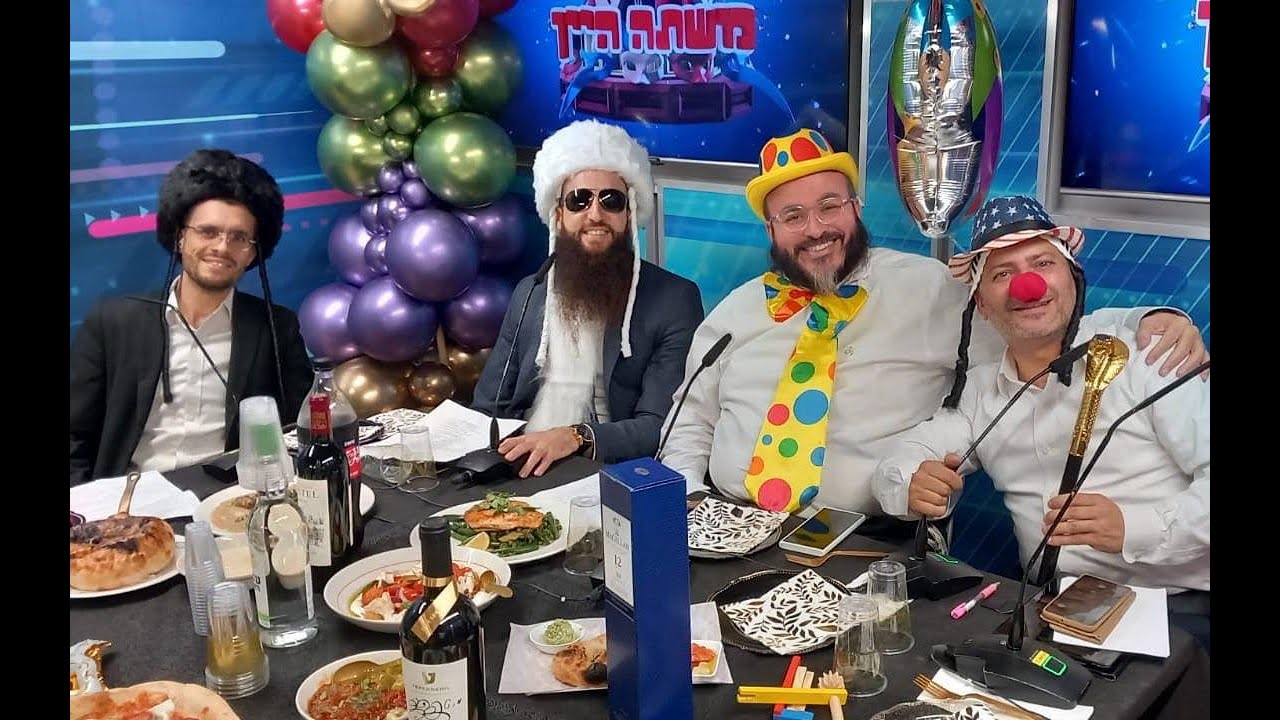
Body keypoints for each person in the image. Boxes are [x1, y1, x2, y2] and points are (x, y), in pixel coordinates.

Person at [658, 129, 1207, 525]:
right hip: (732, 521)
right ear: (771, 230)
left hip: (868, 538)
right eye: (793, 217)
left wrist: (1146, 321)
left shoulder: (931, 289)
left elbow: (1035, 329)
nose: (816, 229)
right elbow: (690, 419)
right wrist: (687, 507)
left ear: (856, 208)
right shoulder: (735, 311)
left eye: (829, 206)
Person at [872, 195, 1209, 649]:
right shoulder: (980, 392)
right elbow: (903, 458)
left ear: (1072, 278)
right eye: (1002, 274)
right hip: (1049, 611)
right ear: (981, 304)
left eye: (1043, 263)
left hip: (1179, 611)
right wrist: (911, 482)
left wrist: (1137, 527)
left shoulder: (1150, 356)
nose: (1027, 285)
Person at [472, 120, 703, 477]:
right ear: (559, 214)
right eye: (579, 200)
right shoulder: (530, 291)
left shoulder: (674, 300)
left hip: (609, 473)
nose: (595, 215)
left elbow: (661, 425)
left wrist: (576, 437)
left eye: (611, 201)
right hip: (521, 463)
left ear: (629, 214)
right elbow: (489, 405)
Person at [70, 149, 313, 485]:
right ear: (180, 236)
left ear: (253, 252)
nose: (222, 247)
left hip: (229, 497)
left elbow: (300, 431)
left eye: (239, 237)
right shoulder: (113, 322)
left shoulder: (276, 327)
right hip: (129, 500)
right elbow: (74, 436)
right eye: (208, 231)